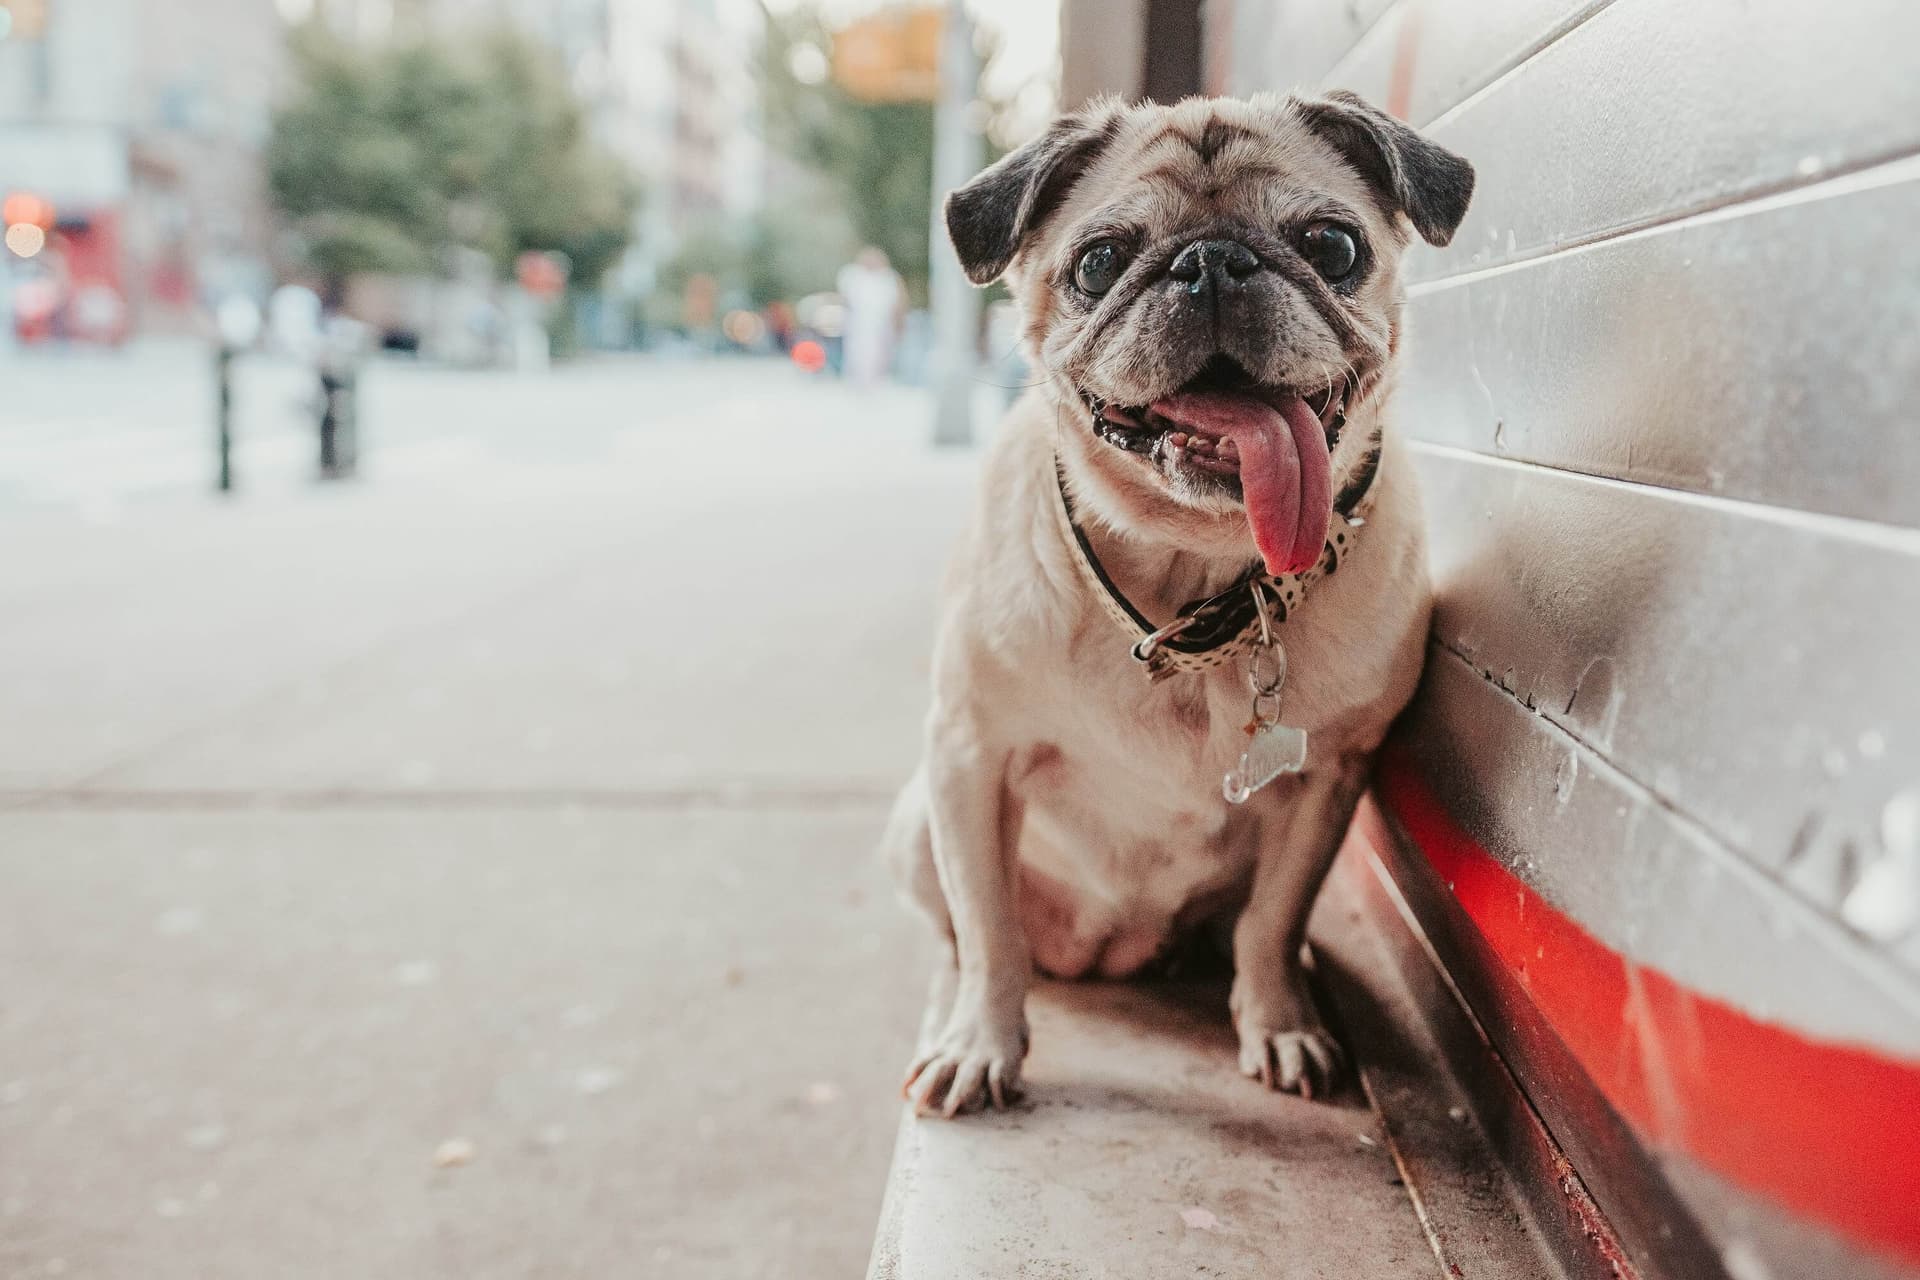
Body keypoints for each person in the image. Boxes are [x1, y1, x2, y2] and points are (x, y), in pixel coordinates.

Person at [836, 245, 906, 386]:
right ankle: (858, 383)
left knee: (879, 356)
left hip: (881, 325)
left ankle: (874, 383)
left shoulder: (888, 278)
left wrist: (898, 324)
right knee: (857, 355)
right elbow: (845, 299)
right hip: (858, 325)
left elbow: (898, 303)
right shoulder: (853, 275)